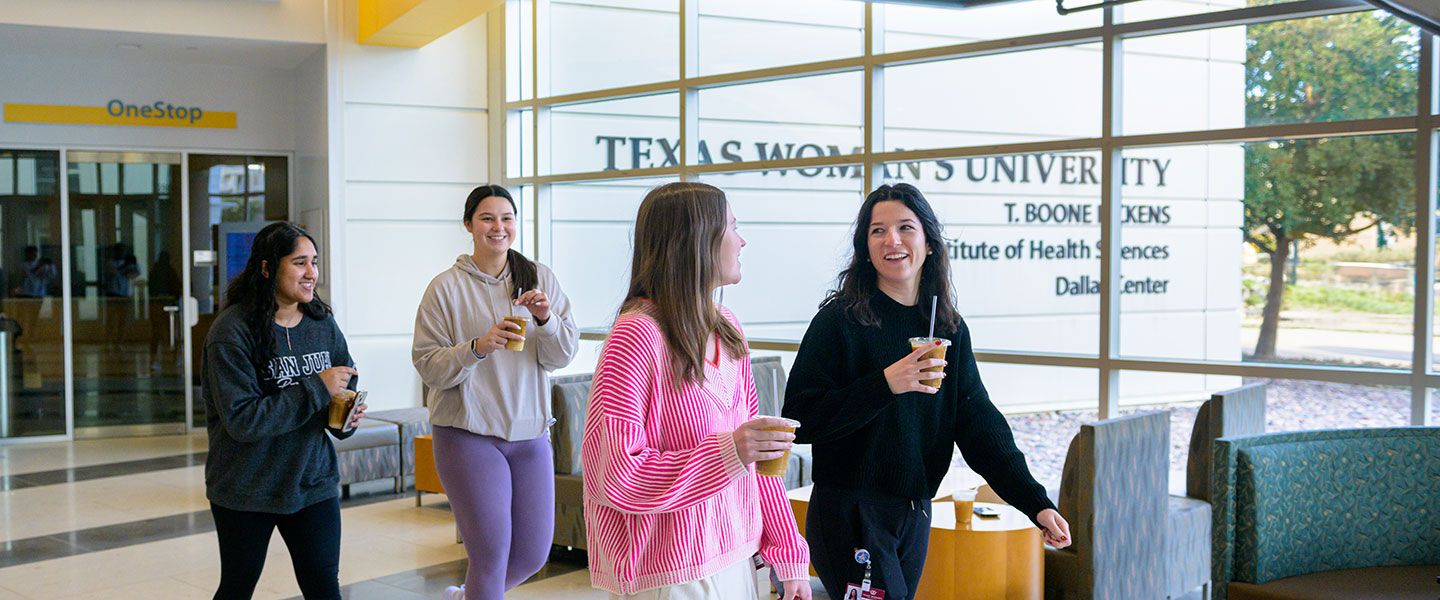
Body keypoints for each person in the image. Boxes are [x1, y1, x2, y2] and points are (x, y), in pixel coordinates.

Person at [782, 183, 1071, 600]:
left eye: (905, 227)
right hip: (850, 512)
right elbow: (801, 417)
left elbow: (978, 425)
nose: (892, 241)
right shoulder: (839, 321)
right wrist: (885, 384)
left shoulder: (947, 329)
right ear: (864, 247)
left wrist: (1035, 502)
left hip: (915, 512)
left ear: (929, 243)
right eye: (877, 231)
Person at [580, 182, 811, 600]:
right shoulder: (636, 336)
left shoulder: (729, 327)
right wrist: (728, 453)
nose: (742, 241)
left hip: (737, 558)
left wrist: (788, 553)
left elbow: (758, 457)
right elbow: (614, 476)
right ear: (697, 241)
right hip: (669, 575)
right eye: (732, 227)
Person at [412, 184, 579, 600]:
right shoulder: (445, 288)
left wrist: (546, 320)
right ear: (469, 225)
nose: (498, 227)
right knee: (490, 556)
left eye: (507, 218)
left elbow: (562, 356)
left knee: (534, 553)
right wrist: (477, 348)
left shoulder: (538, 278)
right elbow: (427, 364)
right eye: (487, 218)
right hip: (468, 435)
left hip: (529, 435)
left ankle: (462, 598)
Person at [202, 222, 363, 600]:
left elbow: (345, 380)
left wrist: (344, 418)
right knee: (238, 588)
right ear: (266, 268)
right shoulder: (232, 332)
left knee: (325, 589)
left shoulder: (322, 323)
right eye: (300, 263)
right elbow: (243, 420)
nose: (312, 273)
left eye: (315, 262)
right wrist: (316, 388)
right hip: (247, 487)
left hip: (312, 482)